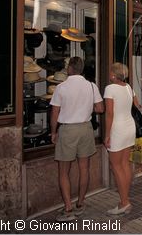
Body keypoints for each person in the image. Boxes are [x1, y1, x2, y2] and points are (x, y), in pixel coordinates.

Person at [50, 56, 104, 222]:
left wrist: (53, 132)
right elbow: (100, 109)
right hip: (85, 129)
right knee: (84, 168)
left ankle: (68, 208)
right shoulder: (91, 86)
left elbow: (55, 113)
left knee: (63, 171)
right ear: (81, 69)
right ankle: (81, 203)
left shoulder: (61, 87)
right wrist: (86, 108)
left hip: (67, 130)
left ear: (69, 69)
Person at [104, 62, 141, 215]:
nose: (108, 73)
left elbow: (109, 114)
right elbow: (137, 105)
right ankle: (125, 200)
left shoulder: (110, 88)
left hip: (117, 130)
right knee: (125, 164)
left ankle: (124, 202)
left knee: (116, 166)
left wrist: (106, 134)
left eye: (110, 71)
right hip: (129, 127)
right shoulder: (128, 87)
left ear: (113, 74)